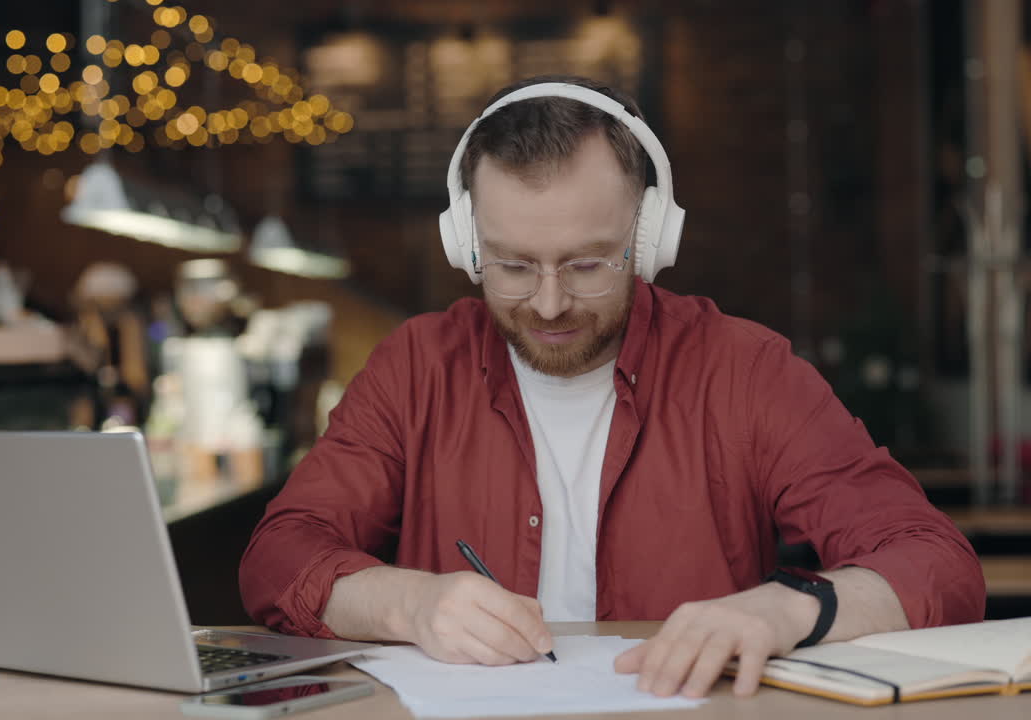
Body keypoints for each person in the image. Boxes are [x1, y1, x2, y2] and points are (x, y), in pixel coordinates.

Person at [238, 75, 984, 699]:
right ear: (465, 242)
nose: (551, 302)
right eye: (513, 265)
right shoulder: (415, 368)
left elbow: (937, 564)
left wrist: (789, 608)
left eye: (590, 264)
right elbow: (279, 556)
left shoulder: (743, 370)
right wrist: (410, 603)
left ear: (651, 237)